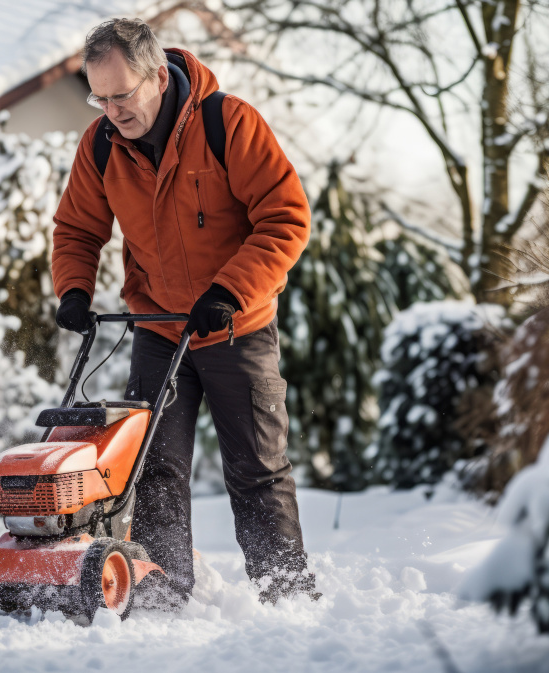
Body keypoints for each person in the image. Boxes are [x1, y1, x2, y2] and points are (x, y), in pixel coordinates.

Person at [50, 17, 315, 608]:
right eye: (100, 98)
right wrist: (74, 291)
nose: (112, 111)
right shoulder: (101, 145)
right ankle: (162, 593)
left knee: (257, 469)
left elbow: (286, 218)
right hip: (158, 328)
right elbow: (77, 229)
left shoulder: (228, 124)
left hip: (236, 326)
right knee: (153, 467)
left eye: (122, 95)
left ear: (158, 78)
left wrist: (229, 291)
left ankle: (286, 596)